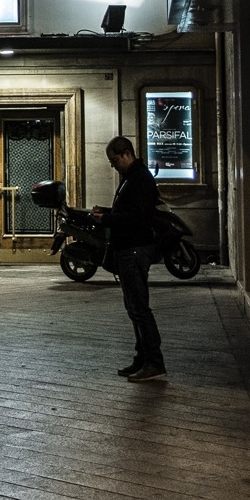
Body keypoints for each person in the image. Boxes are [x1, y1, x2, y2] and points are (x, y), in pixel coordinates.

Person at [91, 135, 167, 382]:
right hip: (128, 249)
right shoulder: (131, 178)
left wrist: (108, 219)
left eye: (114, 160)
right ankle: (142, 358)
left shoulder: (140, 179)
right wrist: (108, 212)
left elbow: (139, 218)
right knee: (133, 307)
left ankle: (154, 361)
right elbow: (130, 212)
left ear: (126, 154)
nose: (113, 165)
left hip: (134, 250)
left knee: (139, 308)